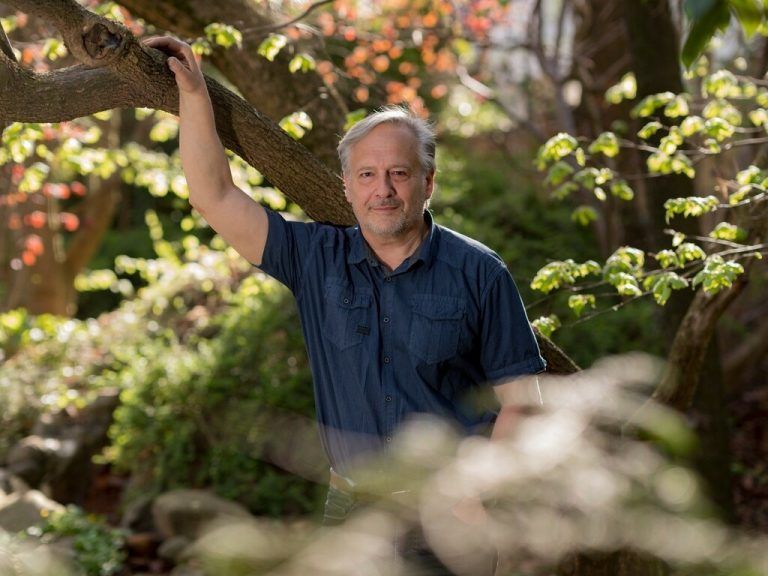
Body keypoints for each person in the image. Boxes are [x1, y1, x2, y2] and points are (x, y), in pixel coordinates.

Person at [143, 36, 546, 574]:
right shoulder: (313, 259)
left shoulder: (479, 272)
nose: (383, 189)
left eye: (399, 173)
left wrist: (481, 492)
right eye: (367, 175)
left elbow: (522, 399)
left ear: (427, 183)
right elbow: (214, 196)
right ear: (348, 187)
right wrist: (193, 93)